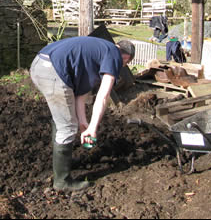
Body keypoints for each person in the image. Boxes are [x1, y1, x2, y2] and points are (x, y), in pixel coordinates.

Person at [30, 36, 135, 191]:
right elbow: (103, 96)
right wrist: (93, 128)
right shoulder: (114, 54)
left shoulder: (98, 51)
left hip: (38, 65)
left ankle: (59, 167)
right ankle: (62, 182)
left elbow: (80, 96)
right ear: (126, 58)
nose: (121, 66)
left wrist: (83, 122)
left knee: (65, 120)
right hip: (53, 72)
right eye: (124, 64)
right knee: (67, 127)